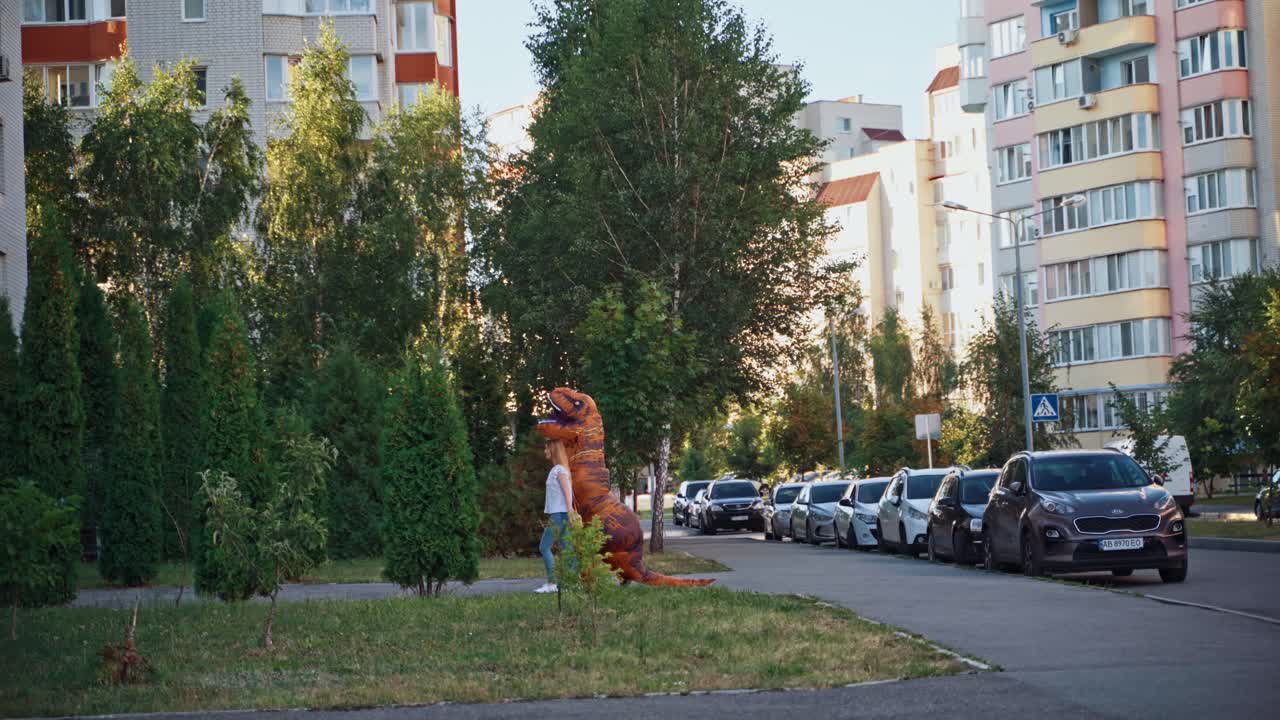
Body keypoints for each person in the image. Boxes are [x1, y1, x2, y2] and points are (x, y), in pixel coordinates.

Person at [535, 438, 576, 594]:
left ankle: (552, 583)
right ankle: (572, 583)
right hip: (561, 513)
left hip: (559, 514)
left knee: (544, 547)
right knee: (567, 549)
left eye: (546, 448)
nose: (545, 451)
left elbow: (567, 490)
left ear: (553, 450)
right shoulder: (559, 469)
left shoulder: (559, 470)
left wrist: (570, 510)